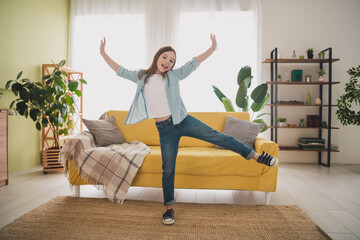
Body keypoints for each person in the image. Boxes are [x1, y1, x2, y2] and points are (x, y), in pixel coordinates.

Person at [100, 34, 278, 225]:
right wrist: (103, 53)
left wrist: (213, 48)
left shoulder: (174, 76)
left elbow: (193, 63)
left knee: (220, 138)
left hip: (184, 121)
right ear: (157, 57)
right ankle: (169, 210)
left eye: (172, 60)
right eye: (165, 57)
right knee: (168, 169)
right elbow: (119, 70)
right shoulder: (142, 77)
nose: (168, 62)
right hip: (165, 130)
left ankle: (258, 157)